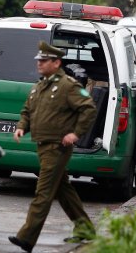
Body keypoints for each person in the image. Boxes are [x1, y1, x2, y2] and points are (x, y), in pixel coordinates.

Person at [8, 41, 97, 252]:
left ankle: (26, 237)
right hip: (42, 145)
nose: (39, 63)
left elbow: (89, 109)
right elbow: (26, 111)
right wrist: (22, 127)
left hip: (57, 147)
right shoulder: (40, 86)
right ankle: (86, 230)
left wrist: (75, 133)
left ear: (56, 62)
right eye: (38, 60)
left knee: (43, 192)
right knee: (63, 189)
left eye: (44, 60)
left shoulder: (68, 85)